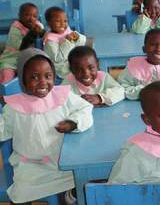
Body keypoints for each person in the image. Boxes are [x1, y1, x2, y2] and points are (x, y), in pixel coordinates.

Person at [0, 49, 93, 204]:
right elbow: (3, 130)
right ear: (23, 80)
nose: (43, 82)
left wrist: (73, 123)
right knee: (20, 195)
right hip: (30, 167)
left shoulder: (62, 96)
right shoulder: (14, 107)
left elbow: (85, 108)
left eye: (48, 76)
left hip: (62, 163)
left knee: (82, 179)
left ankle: (69, 196)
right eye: (34, 77)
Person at [0, 2, 44, 83]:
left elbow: (44, 34)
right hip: (11, 58)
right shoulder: (16, 28)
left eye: (34, 16)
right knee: (7, 75)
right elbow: (22, 46)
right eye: (27, 15)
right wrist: (33, 33)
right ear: (19, 15)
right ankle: (4, 93)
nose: (31, 18)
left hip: (27, 59)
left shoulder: (36, 24)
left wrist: (41, 32)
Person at [42, 5, 87, 78]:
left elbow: (81, 44)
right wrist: (68, 41)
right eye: (58, 21)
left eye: (65, 21)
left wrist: (77, 37)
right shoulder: (50, 40)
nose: (63, 24)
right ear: (49, 23)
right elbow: (58, 59)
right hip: (62, 70)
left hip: (73, 60)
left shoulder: (67, 31)